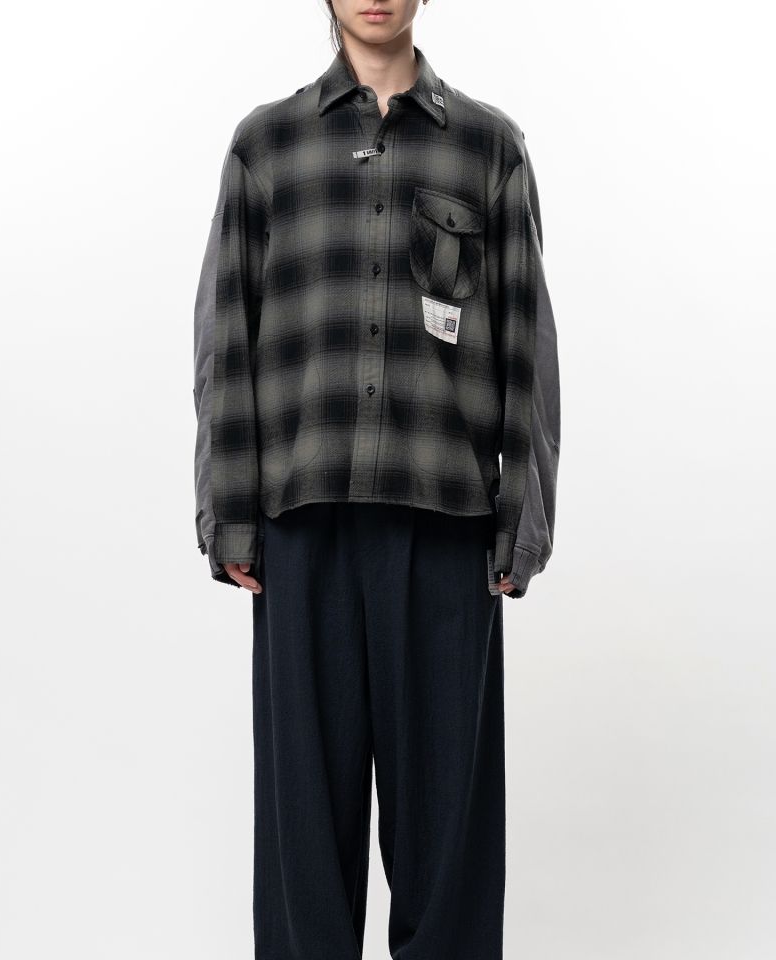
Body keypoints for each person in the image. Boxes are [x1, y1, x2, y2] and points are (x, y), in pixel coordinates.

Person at [193, 1, 560, 956]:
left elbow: (527, 346)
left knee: (448, 851)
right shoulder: (266, 147)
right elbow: (226, 336)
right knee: (304, 853)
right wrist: (230, 515)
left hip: (446, 531)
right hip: (301, 529)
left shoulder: (488, 148)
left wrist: (522, 520)